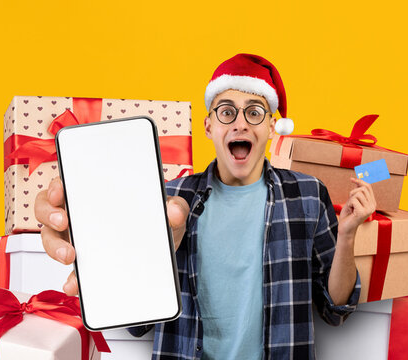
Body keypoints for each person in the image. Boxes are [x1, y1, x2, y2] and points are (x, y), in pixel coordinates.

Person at [35, 53, 376, 360]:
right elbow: (137, 325)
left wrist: (346, 237)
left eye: (254, 113)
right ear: (209, 126)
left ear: (272, 127)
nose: (240, 123)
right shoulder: (171, 199)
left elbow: (336, 309)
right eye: (227, 112)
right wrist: (102, 249)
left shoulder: (306, 195)